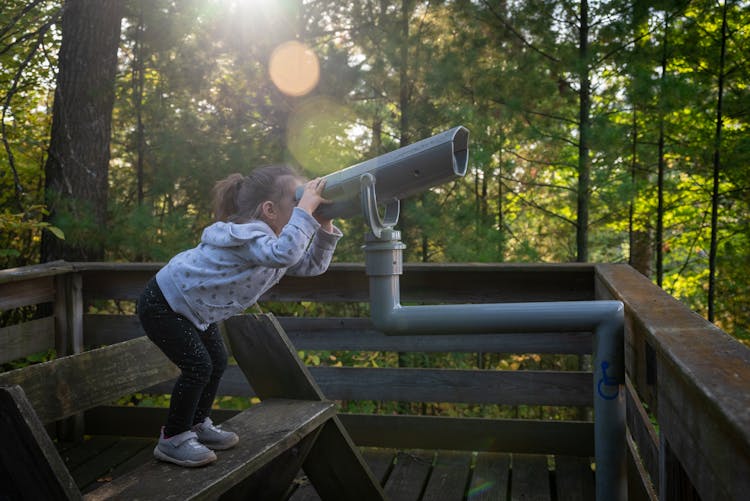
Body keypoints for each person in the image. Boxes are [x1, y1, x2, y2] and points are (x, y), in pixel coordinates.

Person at [136, 164, 342, 467]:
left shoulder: (272, 245)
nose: (304, 211)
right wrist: (306, 212)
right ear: (269, 209)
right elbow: (286, 253)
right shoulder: (251, 234)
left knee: (216, 361)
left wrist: (323, 224)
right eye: (297, 203)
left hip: (192, 309)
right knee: (198, 366)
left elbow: (310, 265)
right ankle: (173, 439)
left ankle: (196, 423)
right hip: (164, 303)